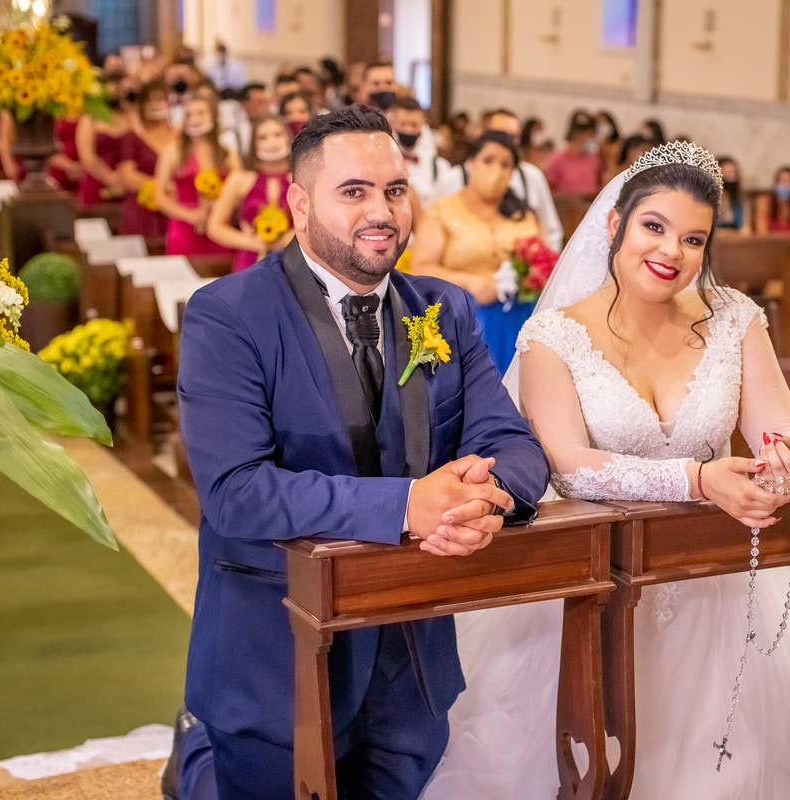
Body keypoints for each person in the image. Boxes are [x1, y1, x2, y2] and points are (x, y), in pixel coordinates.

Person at [421, 142, 790, 800]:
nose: (672, 252)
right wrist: (697, 480)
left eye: (694, 239)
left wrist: (786, 464)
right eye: (654, 227)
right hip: (599, 580)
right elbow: (568, 465)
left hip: (717, 576)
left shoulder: (735, 319)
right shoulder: (553, 336)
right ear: (616, 224)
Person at [168, 103, 550, 800]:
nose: (382, 212)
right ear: (299, 204)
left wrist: (485, 500)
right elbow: (236, 491)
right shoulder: (228, 314)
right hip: (276, 656)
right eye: (355, 191)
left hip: (412, 663)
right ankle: (197, 765)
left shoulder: (442, 309)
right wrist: (409, 504)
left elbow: (514, 445)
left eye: (395, 190)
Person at [412, 130, 542, 373]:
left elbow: (541, 261)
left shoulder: (523, 215)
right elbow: (420, 269)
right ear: (470, 164)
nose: (496, 170)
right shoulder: (442, 211)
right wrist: (470, 282)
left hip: (518, 318)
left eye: (505, 165)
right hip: (463, 318)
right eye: (488, 160)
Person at [434, 110, 564, 252]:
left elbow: (551, 231)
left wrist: (544, 261)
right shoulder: (452, 179)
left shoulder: (532, 177)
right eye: (499, 134)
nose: (505, 142)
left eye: (513, 137)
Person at [154, 96, 240, 257]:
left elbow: (240, 192)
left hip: (219, 227)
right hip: (183, 228)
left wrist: (221, 206)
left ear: (212, 116)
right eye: (189, 115)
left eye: (201, 113)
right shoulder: (172, 151)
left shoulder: (227, 153)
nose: (195, 119)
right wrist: (190, 215)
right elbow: (159, 196)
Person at [207, 116, 294, 272]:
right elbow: (214, 227)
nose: (272, 142)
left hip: (294, 260)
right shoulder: (239, 179)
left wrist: (293, 238)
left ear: (289, 137)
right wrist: (253, 242)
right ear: (253, 142)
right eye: (263, 137)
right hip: (250, 262)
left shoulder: (303, 178)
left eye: (278, 134)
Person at [118, 80, 180, 238]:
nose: (154, 105)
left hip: (178, 208)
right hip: (142, 211)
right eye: (149, 101)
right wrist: (163, 186)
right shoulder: (133, 137)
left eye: (159, 99)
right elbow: (128, 176)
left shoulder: (182, 135)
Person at [386, 96, 451, 208]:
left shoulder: (438, 167)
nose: (408, 130)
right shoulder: (384, 161)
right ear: (393, 124)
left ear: (422, 125)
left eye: (414, 125)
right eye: (403, 124)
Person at [75, 84, 130, 207]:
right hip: (96, 182)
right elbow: (87, 157)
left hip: (126, 184)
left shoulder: (131, 117)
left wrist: (124, 177)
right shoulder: (89, 118)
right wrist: (109, 177)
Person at [545, 115, 602, 194]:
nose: (582, 138)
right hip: (565, 200)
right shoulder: (558, 158)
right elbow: (550, 186)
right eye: (580, 135)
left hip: (590, 200)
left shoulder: (594, 158)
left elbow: (599, 183)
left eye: (586, 134)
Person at [755, 165, 790, 235]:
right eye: (782, 181)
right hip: (769, 241)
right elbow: (762, 232)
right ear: (775, 184)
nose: (785, 185)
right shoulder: (764, 202)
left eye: (789, 182)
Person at [717, 155, 749, 232]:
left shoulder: (742, 197)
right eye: (726, 173)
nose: (731, 176)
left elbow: (746, 226)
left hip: (738, 235)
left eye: (733, 172)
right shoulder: (712, 197)